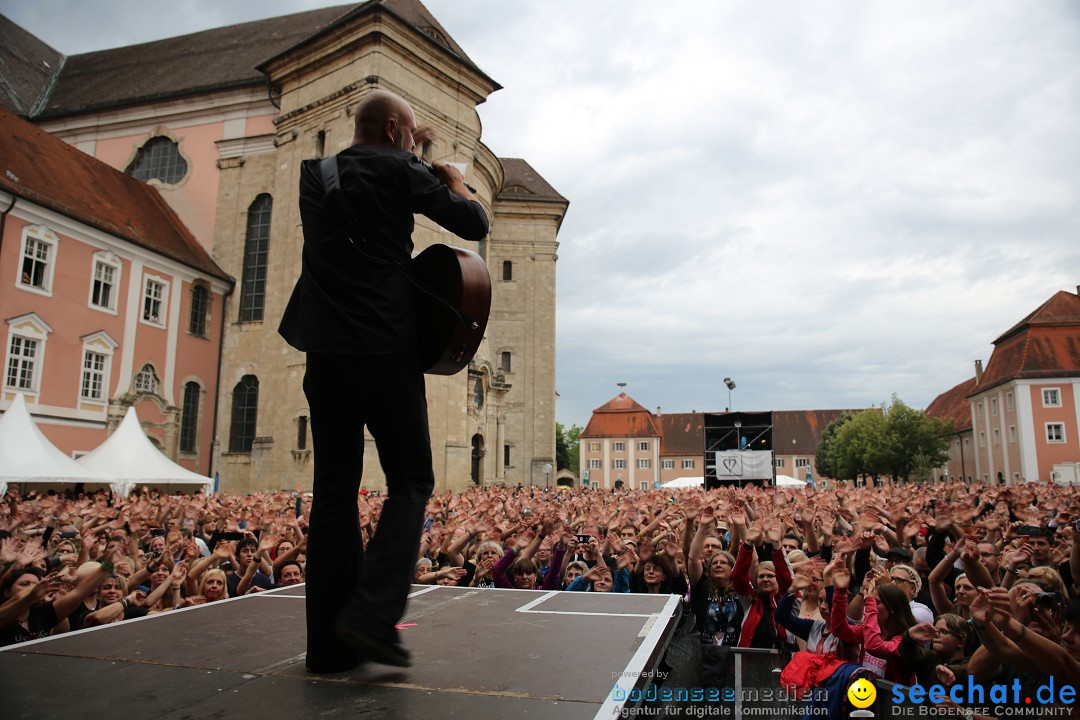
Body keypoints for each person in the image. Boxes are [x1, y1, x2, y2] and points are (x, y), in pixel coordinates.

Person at [278, 88, 489, 672]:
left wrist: (413, 161)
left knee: (334, 494)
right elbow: (473, 221)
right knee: (412, 481)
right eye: (410, 131)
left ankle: (327, 647)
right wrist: (449, 177)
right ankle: (373, 615)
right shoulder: (404, 169)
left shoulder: (313, 173)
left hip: (324, 353)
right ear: (397, 130)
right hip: (386, 350)